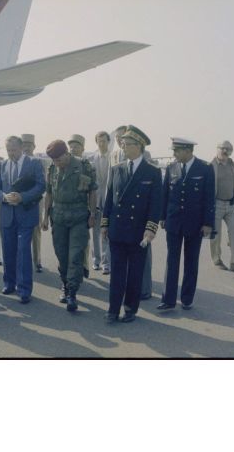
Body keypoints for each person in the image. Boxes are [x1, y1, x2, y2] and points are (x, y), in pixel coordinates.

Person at [101, 125, 162, 323]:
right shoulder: (116, 169)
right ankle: (112, 309)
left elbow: (155, 205)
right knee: (117, 273)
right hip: (118, 230)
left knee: (135, 274)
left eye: (126, 144)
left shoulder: (152, 172)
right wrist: (104, 224)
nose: (123, 147)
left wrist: (151, 229)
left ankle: (130, 309)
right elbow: (109, 199)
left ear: (139, 146)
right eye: (122, 143)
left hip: (138, 233)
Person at [157, 138, 215, 312]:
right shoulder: (171, 167)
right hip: (174, 221)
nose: (174, 154)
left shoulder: (205, 168)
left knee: (191, 261)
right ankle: (168, 300)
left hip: (195, 223)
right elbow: (165, 194)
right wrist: (162, 217)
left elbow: (209, 198)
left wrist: (207, 223)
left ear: (188, 150)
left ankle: (187, 298)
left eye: (177, 151)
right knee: (171, 260)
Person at [42, 140, 97, 312]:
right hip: (58, 217)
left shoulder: (83, 166)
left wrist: (93, 214)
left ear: (66, 153)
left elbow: (93, 191)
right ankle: (65, 284)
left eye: (59, 159)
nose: (57, 163)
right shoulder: (52, 168)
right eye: (54, 160)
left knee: (75, 255)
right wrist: (45, 217)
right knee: (62, 254)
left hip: (79, 216)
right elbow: (49, 193)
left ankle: (72, 292)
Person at [0, 135, 45, 304]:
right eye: (8, 150)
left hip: (26, 215)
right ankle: (9, 283)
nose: (11, 154)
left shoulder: (34, 163)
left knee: (23, 251)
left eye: (13, 150)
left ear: (22, 148)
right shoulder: (2, 165)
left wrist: (22, 197)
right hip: (7, 215)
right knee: (8, 251)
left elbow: (41, 186)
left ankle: (24, 290)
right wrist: (4, 197)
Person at [209, 140, 234, 273]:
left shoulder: (233, 165)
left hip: (231, 205)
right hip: (216, 205)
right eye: (223, 148)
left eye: (228, 149)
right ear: (217, 149)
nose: (225, 151)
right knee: (216, 234)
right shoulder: (210, 166)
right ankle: (217, 259)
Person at [21, 133, 48, 273]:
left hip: (36, 201)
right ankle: (22, 260)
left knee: (35, 230)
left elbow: (43, 183)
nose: (26, 147)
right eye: (23, 144)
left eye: (29, 145)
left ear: (34, 146)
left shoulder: (39, 161)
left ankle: (37, 260)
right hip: (19, 201)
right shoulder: (16, 161)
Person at [68, 134, 91, 278]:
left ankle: (84, 265)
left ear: (83, 149)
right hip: (66, 210)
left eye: (76, 146)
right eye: (71, 146)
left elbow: (90, 190)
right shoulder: (64, 164)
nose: (73, 149)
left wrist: (91, 211)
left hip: (82, 208)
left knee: (84, 240)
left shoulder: (86, 165)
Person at [90, 131, 111, 275]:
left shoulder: (113, 157)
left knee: (106, 232)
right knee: (95, 231)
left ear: (108, 142)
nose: (102, 143)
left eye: (104, 141)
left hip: (109, 199)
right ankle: (95, 260)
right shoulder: (92, 158)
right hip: (94, 200)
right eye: (99, 141)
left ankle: (106, 262)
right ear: (96, 142)